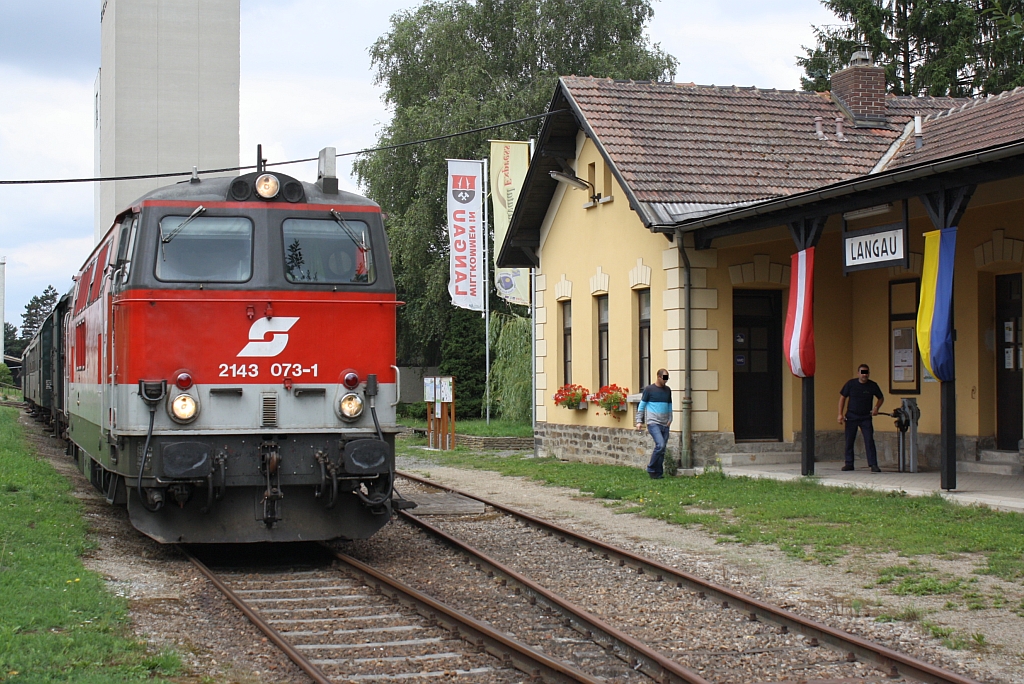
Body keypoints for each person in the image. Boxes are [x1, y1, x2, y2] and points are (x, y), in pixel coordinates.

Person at [837, 364, 884, 472]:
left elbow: (881, 398)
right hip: (852, 416)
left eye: (866, 372)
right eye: (862, 372)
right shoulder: (851, 384)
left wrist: (876, 408)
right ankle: (849, 463)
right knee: (849, 440)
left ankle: (873, 464)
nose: (864, 375)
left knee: (869, 440)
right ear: (858, 373)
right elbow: (842, 398)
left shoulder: (873, 385)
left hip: (865, 417)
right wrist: (840, 414)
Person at [636, 368, 672, 479]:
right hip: (653, 423)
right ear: (658, 377)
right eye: (664, 378)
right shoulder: (649, 390)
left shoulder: (667, 390)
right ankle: (651, 467)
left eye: (667, 378)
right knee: (660, 445)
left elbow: (669, 404)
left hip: (665, 423)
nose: (666, 381)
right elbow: (641, 406)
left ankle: (657, 473)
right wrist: (639, 421)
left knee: (662, 449)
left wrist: (670, 418)